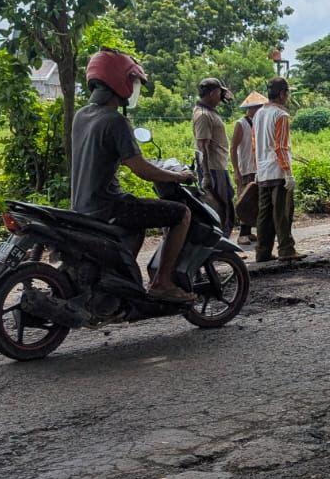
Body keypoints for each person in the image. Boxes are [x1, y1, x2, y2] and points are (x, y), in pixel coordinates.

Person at [70, 48, 197, 303]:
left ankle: (118, 282)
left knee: (136, 227)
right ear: (120, 82)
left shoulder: (81, 115)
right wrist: (178, 177)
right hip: (108, 206)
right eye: (132, 82)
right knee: (181, 214)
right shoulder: (115, 121)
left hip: (82, 206)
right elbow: (140, 168)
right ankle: (162, 283)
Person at [253, 76, 301, 262]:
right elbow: (280, 146)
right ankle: (286, 249)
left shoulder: (258, 114)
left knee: (264, 215)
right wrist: (288, 172)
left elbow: (255, 145)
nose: (288, 97)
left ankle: (262, 252)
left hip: (263, 170)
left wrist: (258, 168)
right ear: (282, 94)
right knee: (283, 212)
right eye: (287, 93)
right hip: (278, 170)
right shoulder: (281, 115)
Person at [192, 77, 235, 235]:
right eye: (218, 92)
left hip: (218, 166)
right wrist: (207, 175)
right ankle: (219, 245)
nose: (221, 96)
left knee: (226, 204)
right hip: (212, 168)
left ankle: (222, 243)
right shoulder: (203, 115)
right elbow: (203, 146)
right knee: (219, 207)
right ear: (211, 93)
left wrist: (224, 95)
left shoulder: (209, 112)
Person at [229, 92, 265, 245]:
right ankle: (242, 233)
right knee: (244, 199)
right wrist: (236, 170)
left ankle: (250, 231)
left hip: (259, 168)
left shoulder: (260, 122)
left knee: (255, 200)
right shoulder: (241, 123)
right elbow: (233, 148)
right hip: (246, 168)